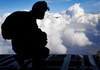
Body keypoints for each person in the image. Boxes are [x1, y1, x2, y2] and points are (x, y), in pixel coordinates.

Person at [1, 1, 50, 70]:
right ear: (38, 11)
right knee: (44, 51)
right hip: (21, 47)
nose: (44, 14)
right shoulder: (28, 20)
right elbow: (30, 36)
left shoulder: (28, 17)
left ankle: (22, 55)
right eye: (43, 11)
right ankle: (23, 56)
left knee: (41, 38)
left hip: (18, 46)